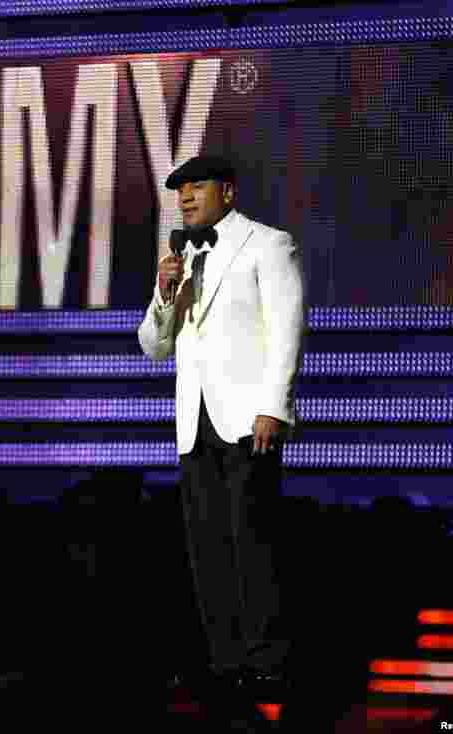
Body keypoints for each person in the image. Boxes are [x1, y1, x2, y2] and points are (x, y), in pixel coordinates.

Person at [137, 155, 306, 693]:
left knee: (253, 539)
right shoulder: (178, 259)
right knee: (206, 545)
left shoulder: (268, 243)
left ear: (228, 192)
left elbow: (287, 330)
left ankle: (267, 661)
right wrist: (166, 296)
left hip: (247, 417)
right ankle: (225, 662)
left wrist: (273, 406)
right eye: (180, 190)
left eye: (196, 187)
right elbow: (153, 346)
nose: (185, 197)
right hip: (195, 421)